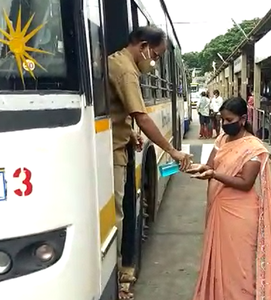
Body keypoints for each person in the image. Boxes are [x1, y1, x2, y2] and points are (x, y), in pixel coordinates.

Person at [186, 97, 271, 300]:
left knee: (240, 268)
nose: (224, 124)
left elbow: (245, 183)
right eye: (222, 120)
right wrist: (202, 168)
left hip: (240, 214)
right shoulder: (222, 139)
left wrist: (214, 175)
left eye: (229, 120)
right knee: (220, 263)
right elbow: (211, 164)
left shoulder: (253, 147)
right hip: (218, 207)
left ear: (242, 119)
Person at [107, 26, 192, 300]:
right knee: (117, 215)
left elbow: (117, 111)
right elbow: (142, 117)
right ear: (143, 46)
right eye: (155, 55)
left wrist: (129, 132)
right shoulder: (127, 71)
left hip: (121, 141)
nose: (154, 63)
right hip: (113, 152)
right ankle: (118, 278)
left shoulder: (115, 61)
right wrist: (174, 151)